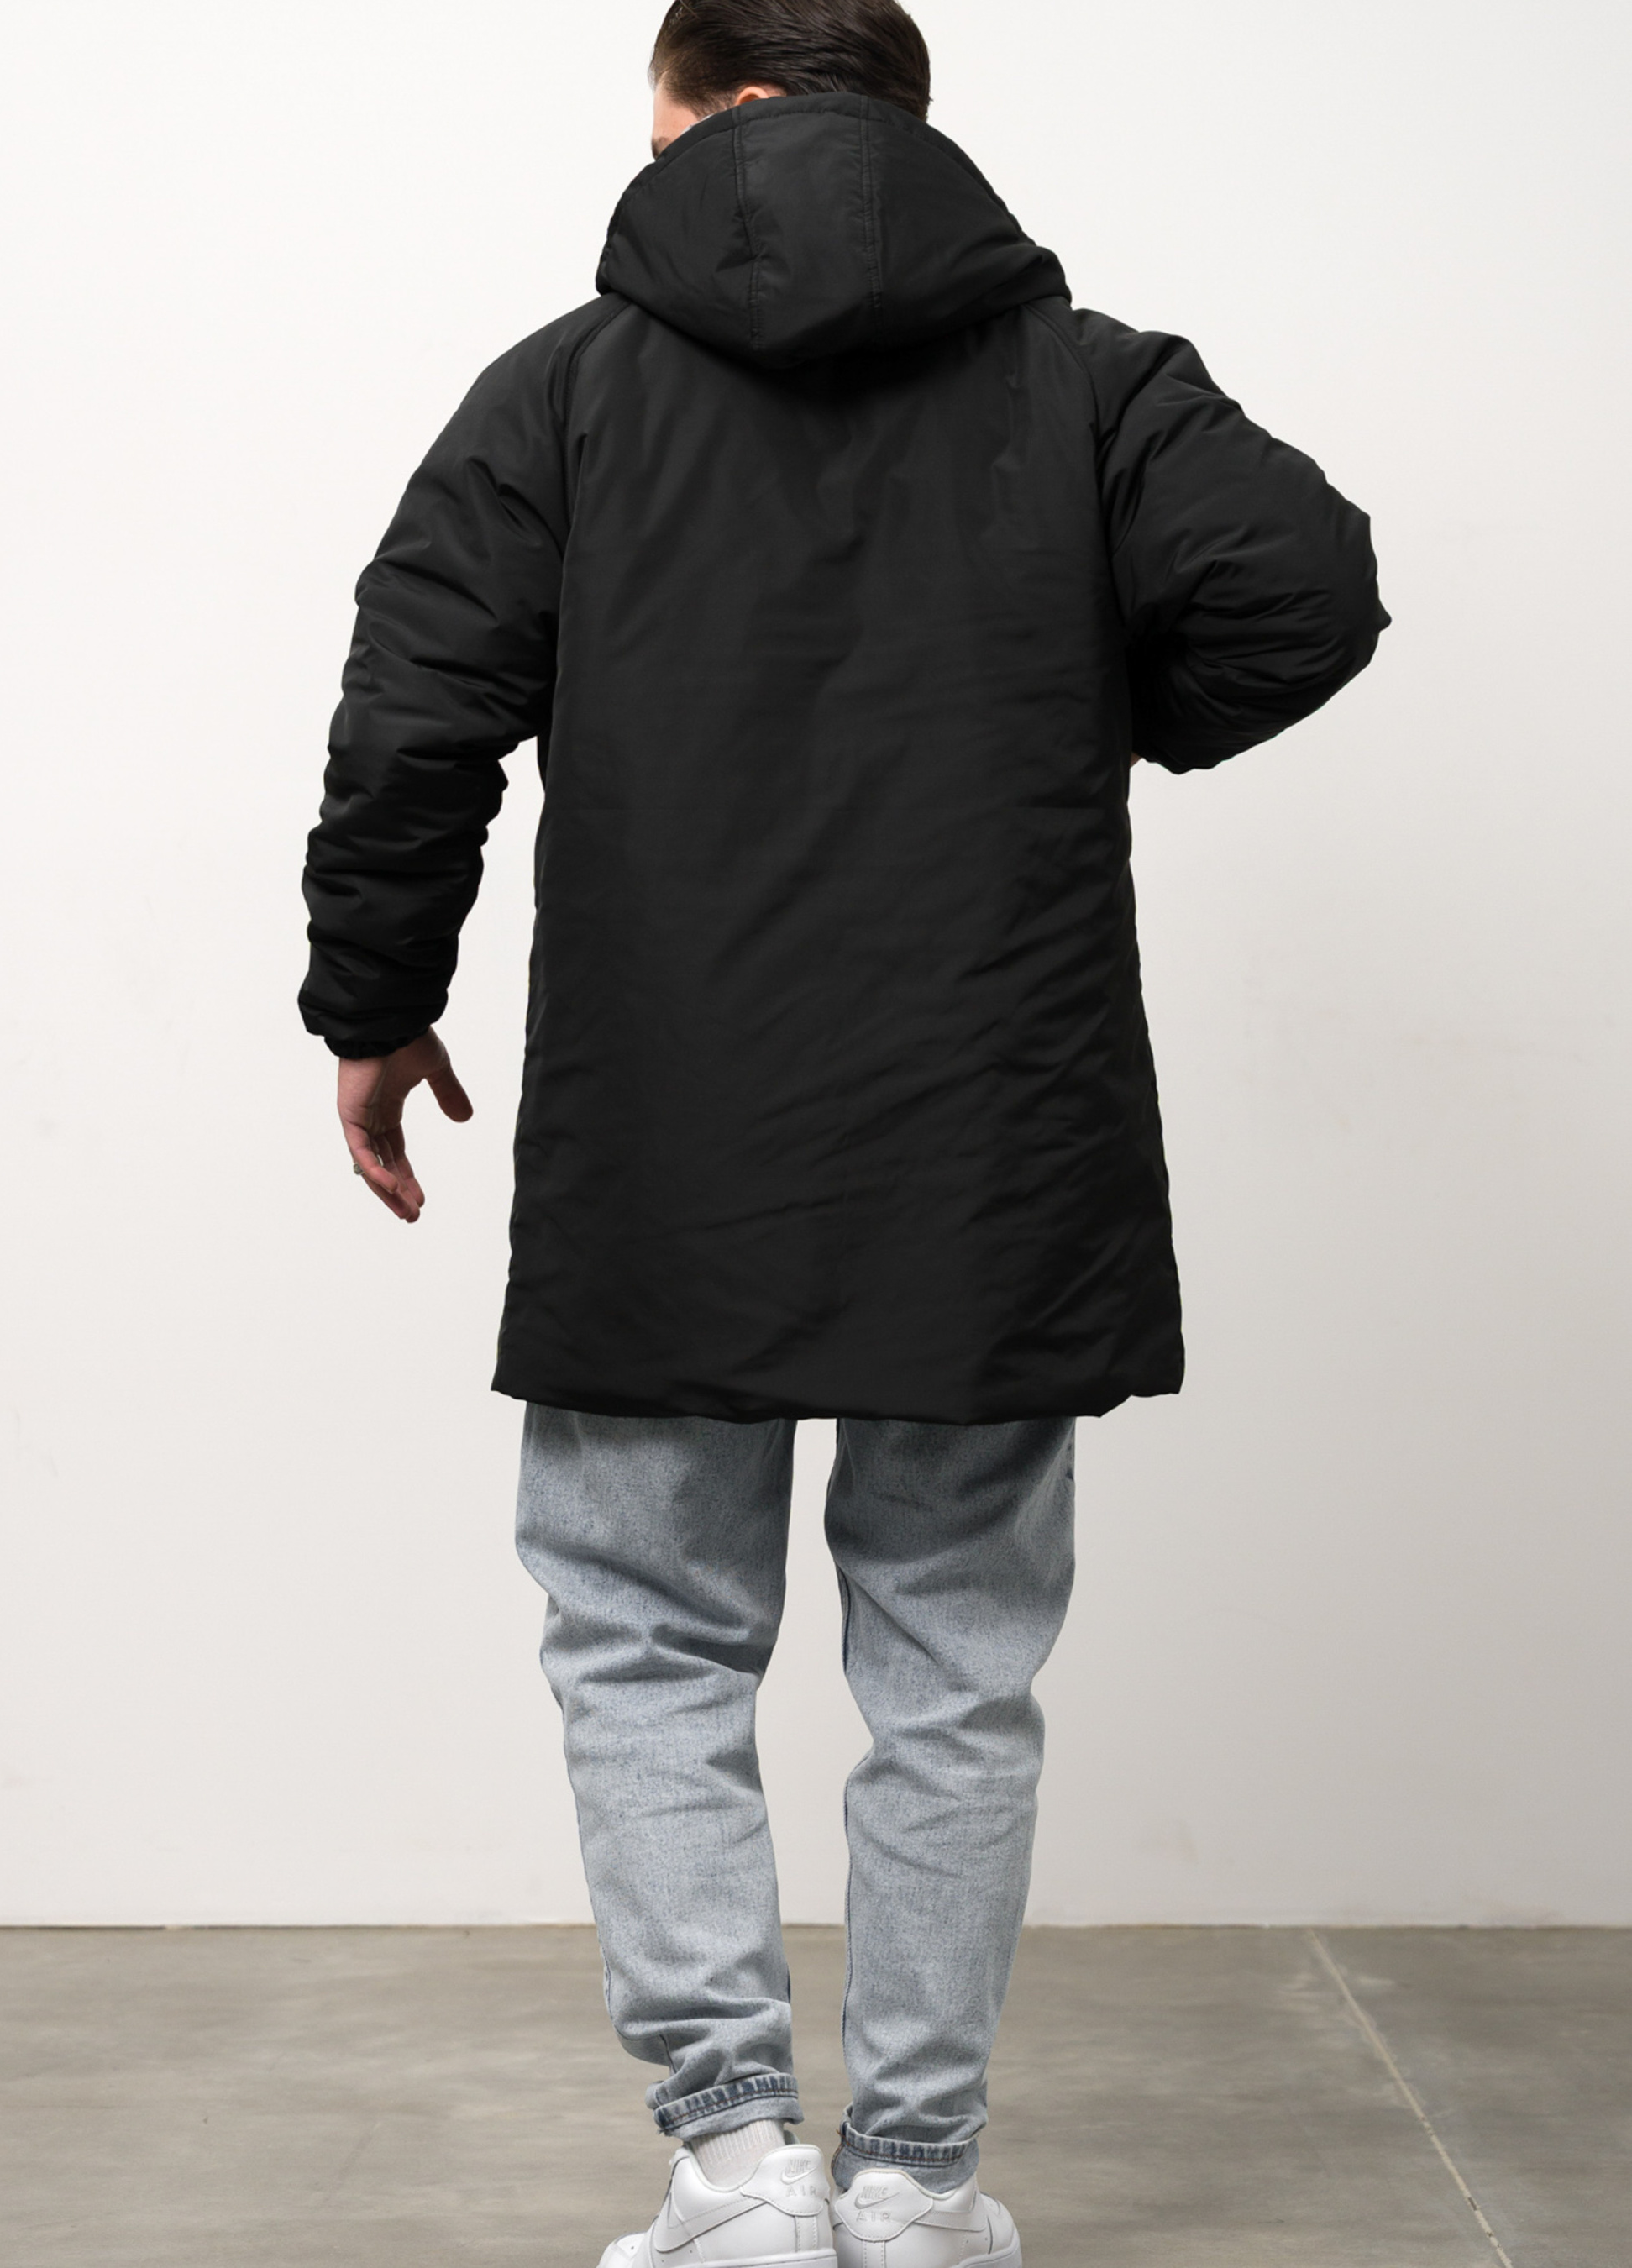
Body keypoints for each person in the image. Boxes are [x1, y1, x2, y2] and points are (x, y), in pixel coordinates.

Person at [299, 1, 1387, 2260]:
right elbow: (1307, 585)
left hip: (665, 1132)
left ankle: (734, 2173)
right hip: (992, 1128)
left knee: (642, 1638)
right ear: (908, 118)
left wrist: (373, 1003)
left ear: (694, 108)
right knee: (956, 1669)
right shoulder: (1089, 383)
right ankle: (911, 2182)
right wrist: (1080, 705)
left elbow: (416, 715)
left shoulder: (565, 390)